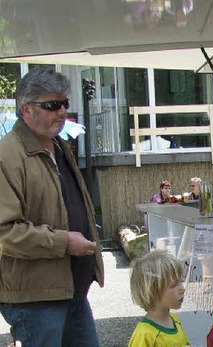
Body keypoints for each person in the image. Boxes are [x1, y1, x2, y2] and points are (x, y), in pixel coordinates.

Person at [0, 68, 105, 346]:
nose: (61, 112)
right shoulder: (7, 156)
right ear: (26, 109)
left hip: (71, 292)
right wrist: (63, 243)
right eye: (51, 105)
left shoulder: (58, 146)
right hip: (35, 300)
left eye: (64, 104)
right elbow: (5, 233)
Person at [128, 249, 190, 347]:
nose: (182, 289)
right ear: (153, 292)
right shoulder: (144, 334)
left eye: (181, 281)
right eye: (174, 285)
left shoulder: (174, 319)